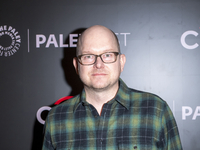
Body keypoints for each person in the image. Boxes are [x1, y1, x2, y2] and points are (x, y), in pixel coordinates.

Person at [42, 25, 182, 150]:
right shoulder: (56, 118)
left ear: (121, 62)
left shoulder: (155, 110)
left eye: (108, 55)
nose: (98, 64)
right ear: (76, 65)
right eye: (88, 56)